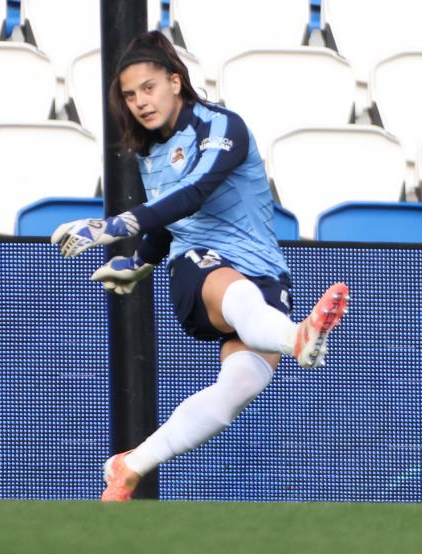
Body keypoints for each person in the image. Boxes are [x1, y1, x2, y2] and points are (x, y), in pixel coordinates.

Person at [49, 31, 349, 502]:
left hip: (264, 270)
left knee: (238, 388)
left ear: (175, 81)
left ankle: (129, 467)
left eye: (147, 88)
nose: (139, 103)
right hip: (197, 268)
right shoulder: (147, 151)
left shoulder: (223, 127)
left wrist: (113, 230)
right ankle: (299, 337)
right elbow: (175, 220)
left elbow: (193, 193)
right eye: (129, 96)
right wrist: (142, 261)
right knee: (232, 289)